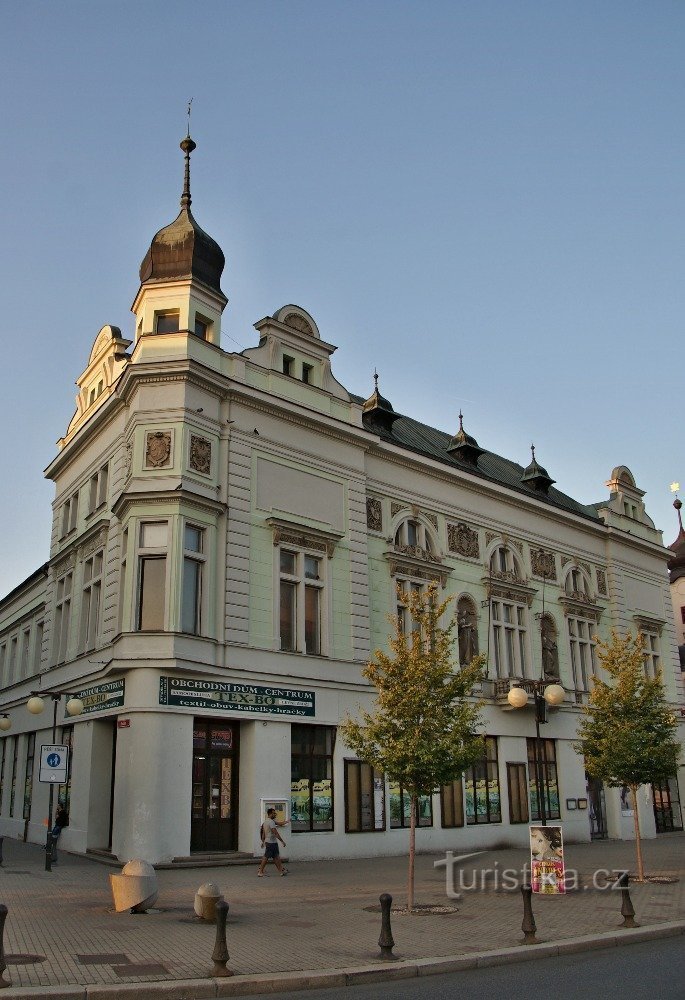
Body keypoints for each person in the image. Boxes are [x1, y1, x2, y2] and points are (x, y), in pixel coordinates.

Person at [258, 807, 287, 877]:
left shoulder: (265, 822)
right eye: (274, 813)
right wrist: (282, 841)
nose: (275, 814)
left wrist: (263, 841)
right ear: (270, 814)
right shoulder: (271, 822)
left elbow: (263, 833)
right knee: (266, 857)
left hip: (270, 842)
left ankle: (281, 871)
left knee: (276, 857)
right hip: (271, 843)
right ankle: (260, 871)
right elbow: (275, 833)